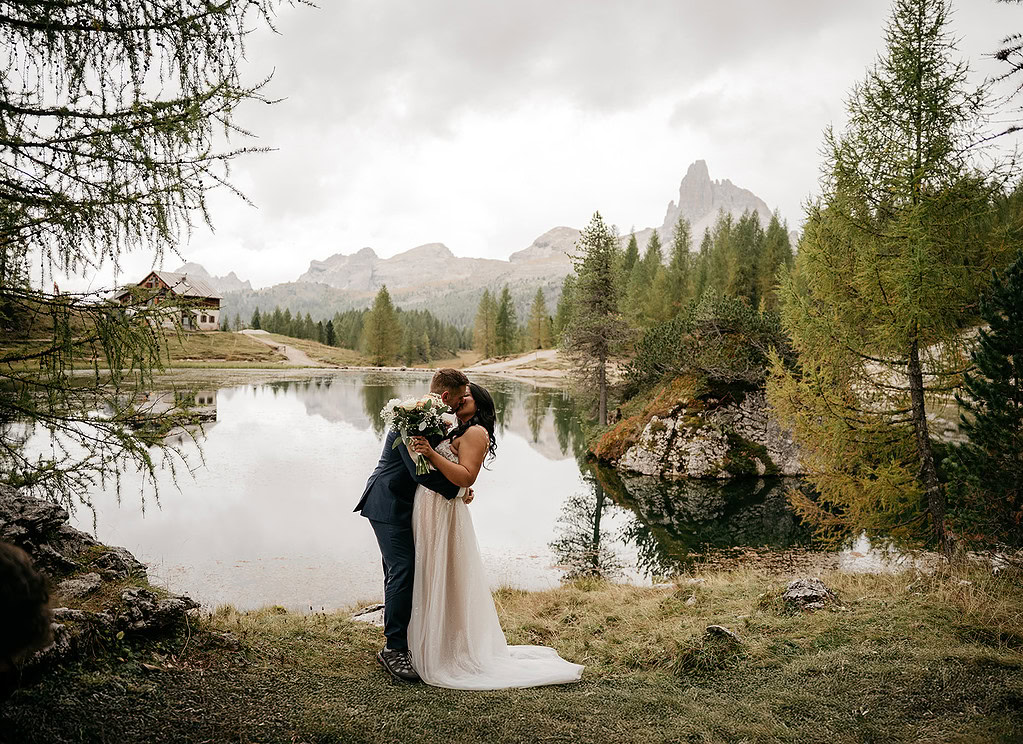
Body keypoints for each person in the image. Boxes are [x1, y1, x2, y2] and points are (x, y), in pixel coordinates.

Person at [406, 382, 584, 689]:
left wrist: (432, 457)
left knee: (445, 573)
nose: (461, 400)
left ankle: (449, 649)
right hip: (434, 505)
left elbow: (466, 475)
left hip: (445, 512)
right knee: (431, 570)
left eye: (467, 397)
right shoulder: (457, 430)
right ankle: (428, 640)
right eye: (460, 395)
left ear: (481, 404)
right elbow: (456, 474)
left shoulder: (476, 433)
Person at [354, 368, 470, 683]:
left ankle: (406, 639)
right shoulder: (411, 417)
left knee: (399, 571)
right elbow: (419, 473)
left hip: (407, 507)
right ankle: (393, 649)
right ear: (446, 396)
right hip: (387, 503)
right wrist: (458, 491)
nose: (459, 407)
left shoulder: (432, 418)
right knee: (403, 569)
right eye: (459, 400)